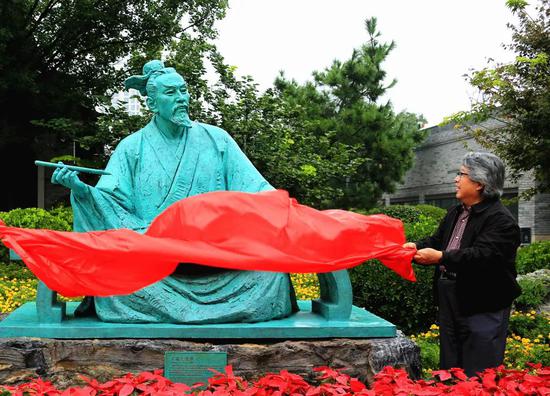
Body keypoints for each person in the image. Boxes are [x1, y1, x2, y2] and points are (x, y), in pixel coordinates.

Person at [51, 60, 296, 324]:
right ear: (153, 104)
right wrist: (81, 190)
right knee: (115, 283)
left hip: (215, 249)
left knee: (272, 273)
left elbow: (255, 188)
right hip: (154, 255)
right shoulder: (131, 148)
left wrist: (276, 206)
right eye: (171, 93)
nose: (181, 99)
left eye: (184, 91)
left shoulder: (217, 139)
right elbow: (111, 202)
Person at [403, 152, 521, 376]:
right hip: (450, 296)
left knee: (478, 368)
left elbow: (482, 256)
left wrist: (440, 257)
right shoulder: (457, 212)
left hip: (482, 302)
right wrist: (414, 247)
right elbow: (438, 241)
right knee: (451, 366)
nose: (456, 179)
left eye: (462, 174)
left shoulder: (501, 220)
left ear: (479, 183)